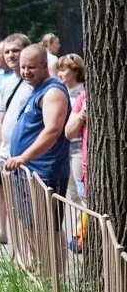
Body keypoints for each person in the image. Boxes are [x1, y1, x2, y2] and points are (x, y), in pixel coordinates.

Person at [6, 43, 71, 203]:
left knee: (48, 227)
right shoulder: (37, 89)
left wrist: (24, 157)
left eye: (31, 67)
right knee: (31, 226)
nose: (26, 72)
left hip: (44, 174)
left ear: (44, 66)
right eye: (23, 67)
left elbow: (52, 131)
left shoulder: (53, 92)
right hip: (28, 172)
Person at [0, 34, 33, 243]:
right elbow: (1, 120)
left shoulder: (35, 82)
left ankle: (34, 259)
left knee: (30, 214)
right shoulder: (6, 84)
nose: (10, 55)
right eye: (7, 51)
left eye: (15, 50)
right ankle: (21, 256)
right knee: (15, 209)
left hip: (26, 158)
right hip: (6, 156)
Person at [56, 54, 86, 203]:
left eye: (63, 69)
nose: (59, 74)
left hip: (79, 149)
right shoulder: (60, 92)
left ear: (75, 70)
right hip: (63, 149)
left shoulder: (83, 93)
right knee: (73, 194)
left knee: (82, 194)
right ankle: (79, 226)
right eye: (58, 70)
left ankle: (84, 226)